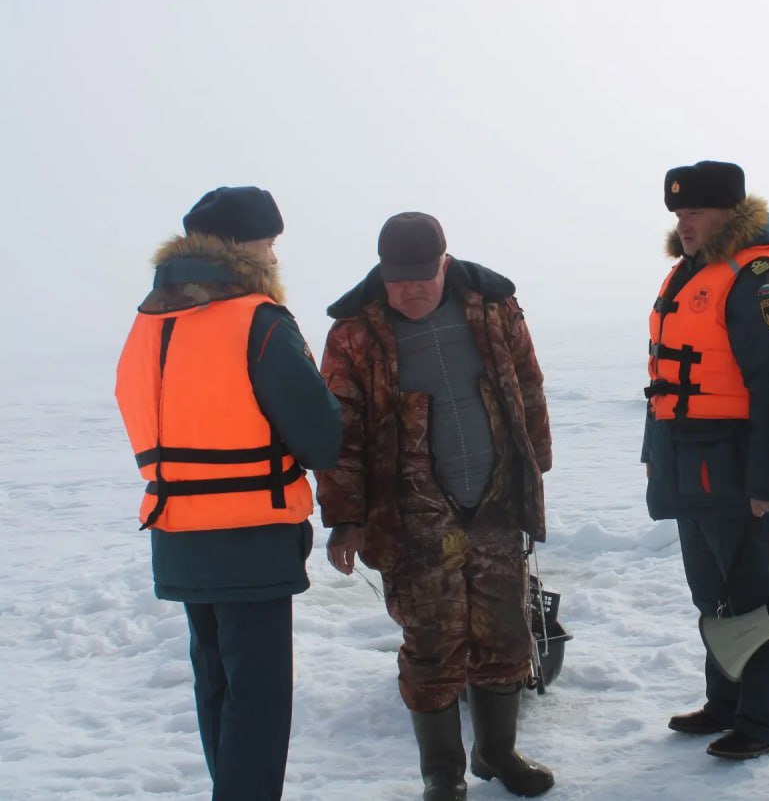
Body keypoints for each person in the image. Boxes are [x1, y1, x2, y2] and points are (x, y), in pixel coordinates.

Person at [115, 186, 343, 801]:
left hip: (178, 530)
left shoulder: (149, 321)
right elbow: (321, 438)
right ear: (241, 246)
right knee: (259, 699)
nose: (274, 252)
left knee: (216, 684)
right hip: (251, 533)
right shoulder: (257, 319)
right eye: (269, 240)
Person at [317, 212, 554, 801]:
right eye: (398, 279)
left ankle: (497, 753)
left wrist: (535, 465)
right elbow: (338, 432)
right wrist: (345, 516)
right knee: (432, 645)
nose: (411, 289)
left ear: (445, 264)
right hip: (412, 513)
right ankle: (442, 774)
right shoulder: (355, 334)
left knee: (505, 633)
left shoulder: (494, 307)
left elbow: (527, 385)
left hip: (495, 501)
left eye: (422, 276)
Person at [642, 160, 769, 760]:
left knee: (756, 598)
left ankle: (765, 722)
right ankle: (726, 703)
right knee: (711, 595)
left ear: (729, 214)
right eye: (680, 215)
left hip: (739, 469)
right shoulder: (690, 274)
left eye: (696, 214)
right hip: (690, 466)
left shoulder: (758, 278)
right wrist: (655, 459)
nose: (686, 224)